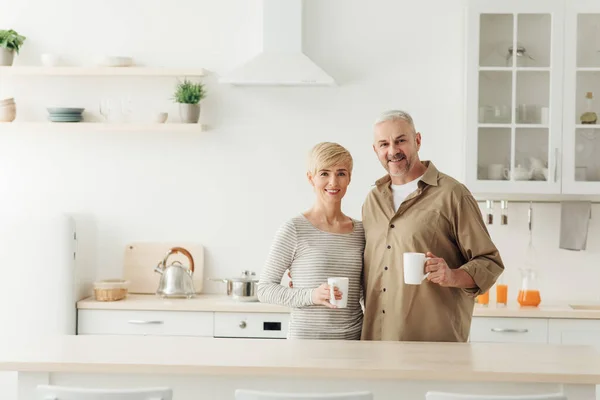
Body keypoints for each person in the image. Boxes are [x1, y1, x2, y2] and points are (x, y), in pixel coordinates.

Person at [361, 110, 504, 342]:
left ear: (417, 140)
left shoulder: (452, 194)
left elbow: (489, 263)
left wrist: (452, 275)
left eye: (400, 140)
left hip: (433, 344)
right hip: (375, 342)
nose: (393, 151)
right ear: (375, 150)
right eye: (384, 144)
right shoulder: (372, 200)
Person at [257, 142, 365, 340]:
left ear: (349, 178)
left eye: (341, 173)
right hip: (306, 342)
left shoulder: (360, 231)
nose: (333, 182)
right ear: (311, 178)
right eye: (324, 173)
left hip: (353, 342)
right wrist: (311, 295)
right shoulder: (295, 229)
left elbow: (366, 292)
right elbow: (264, 289)